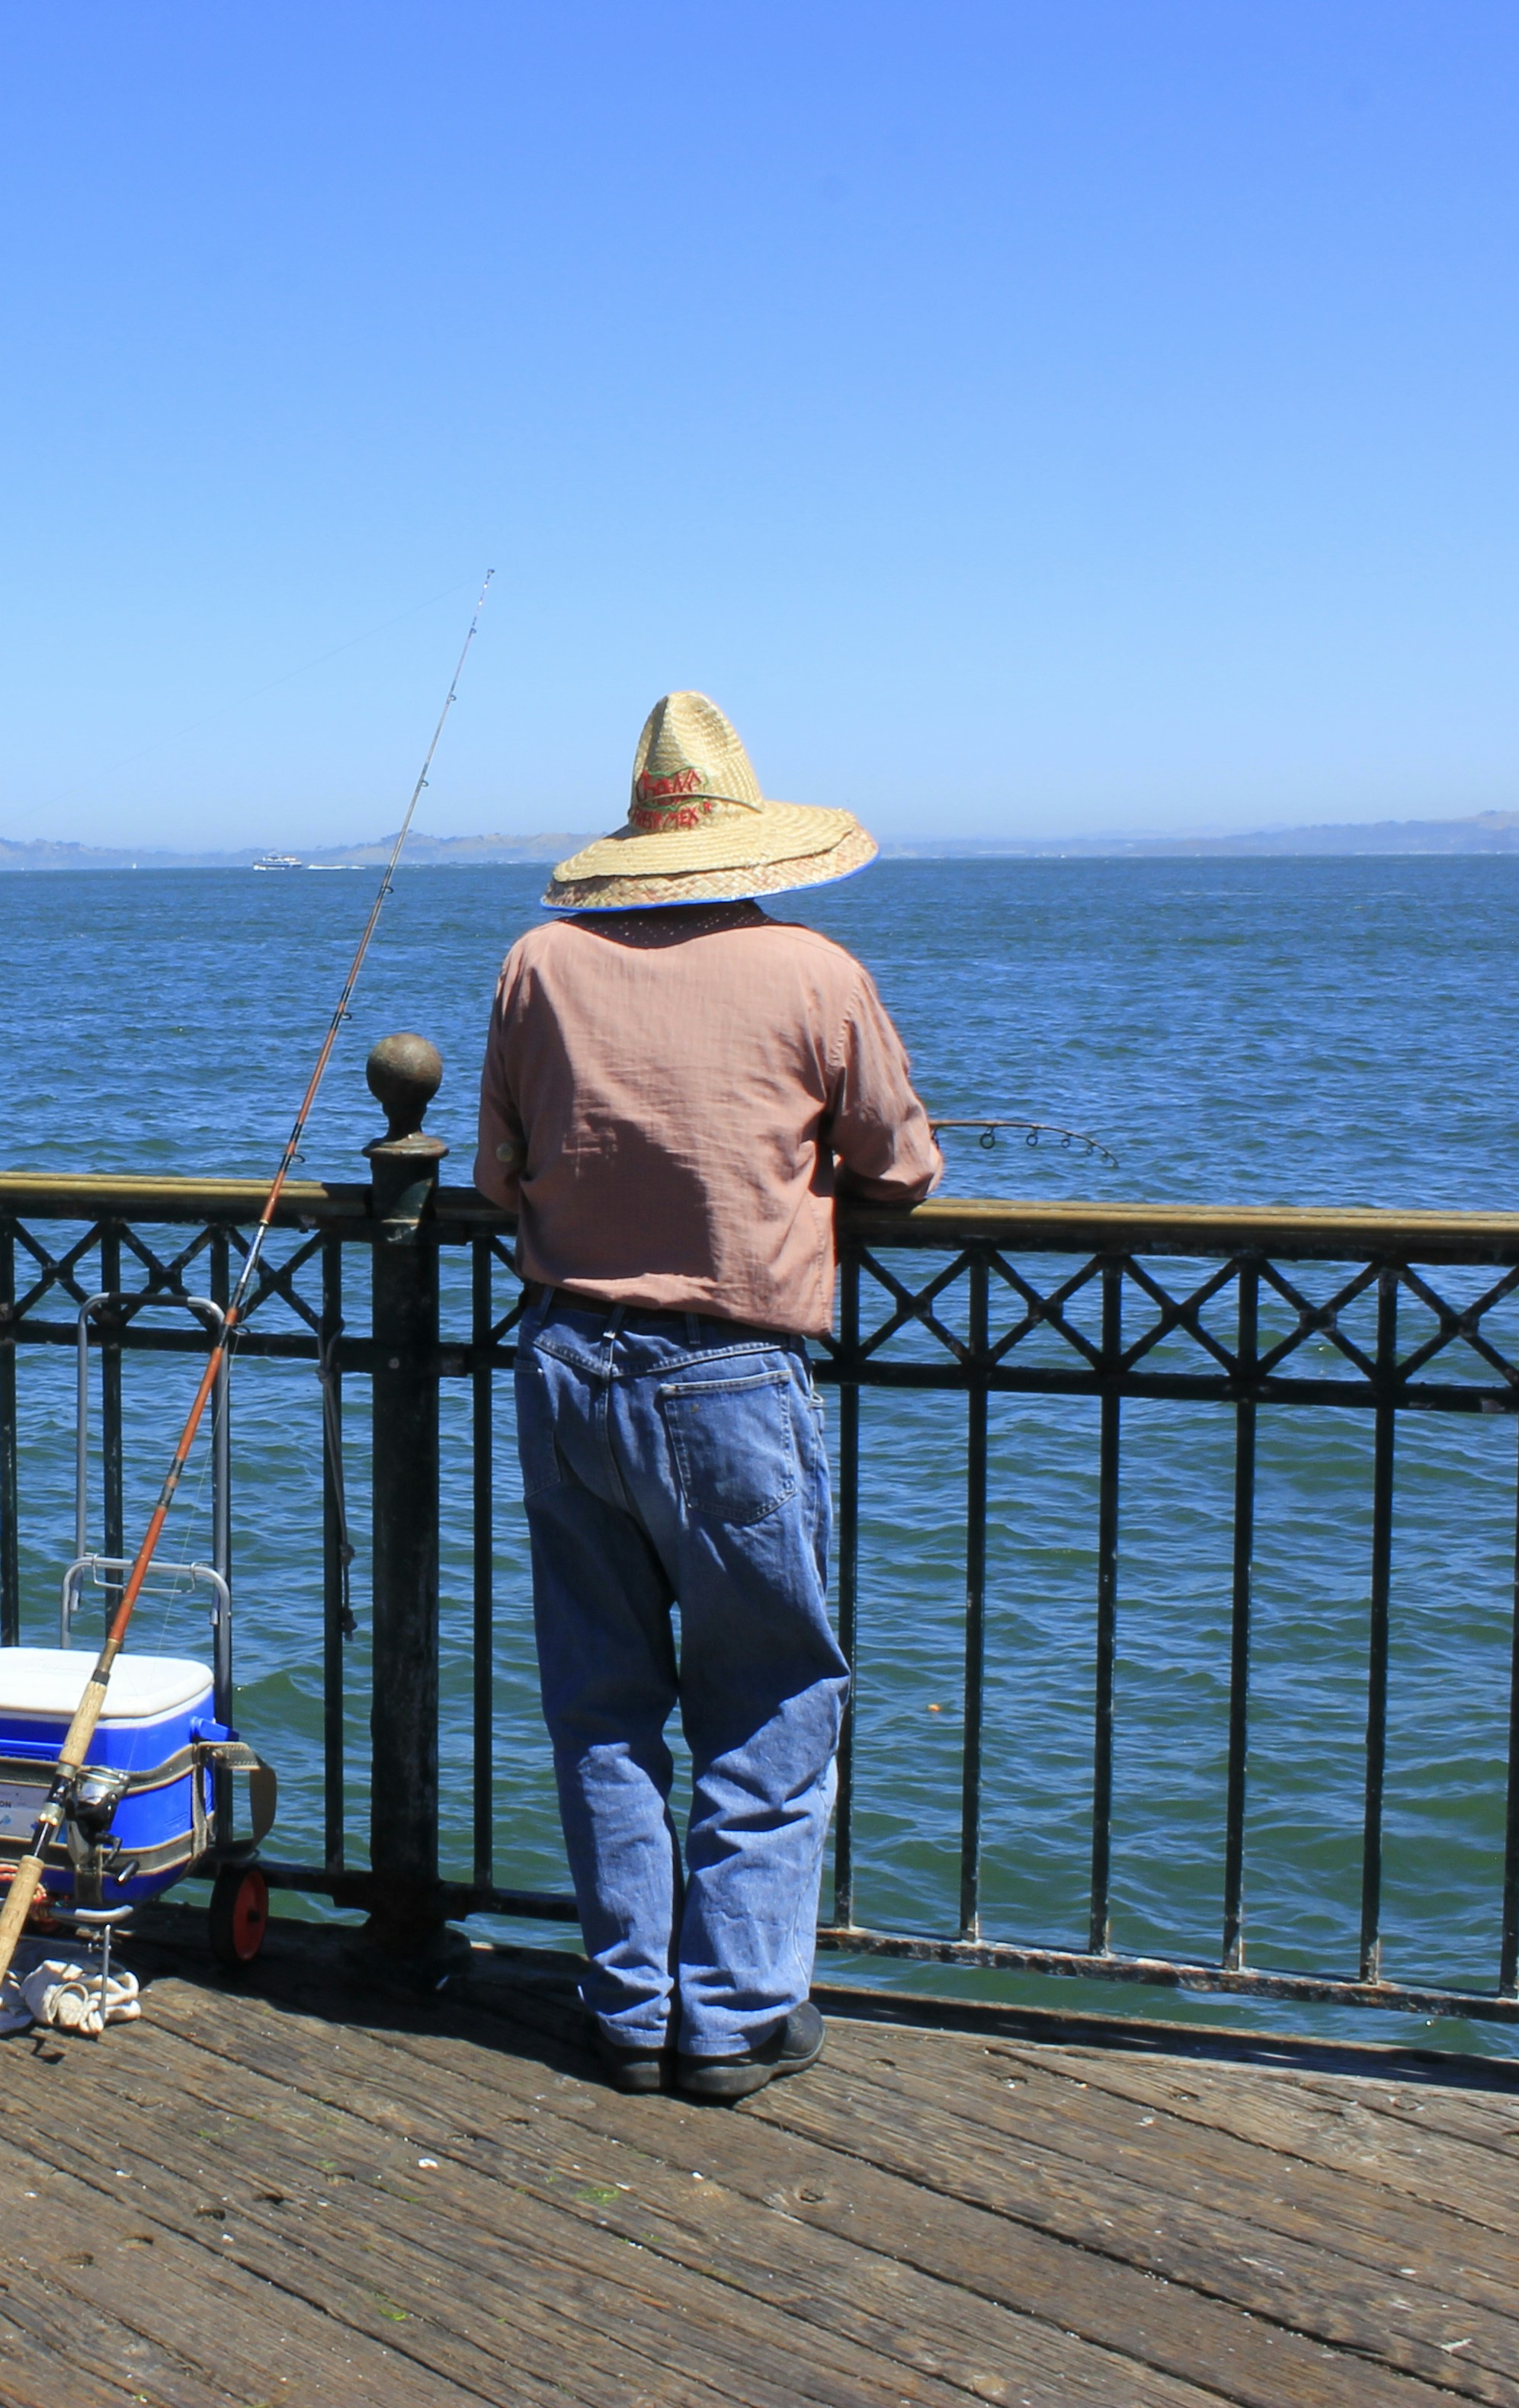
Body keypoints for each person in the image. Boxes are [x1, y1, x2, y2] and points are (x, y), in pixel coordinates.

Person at [472, 690, 940, 2102]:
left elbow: (500, 1178)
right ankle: (732, 2015)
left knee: (602, 1702)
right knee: (769, 1694)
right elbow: (902, 1168)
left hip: (564, 1364)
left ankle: (626, 2005)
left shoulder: (538, 963)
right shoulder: (816, 972)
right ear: (748, 842)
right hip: (734, 1378)